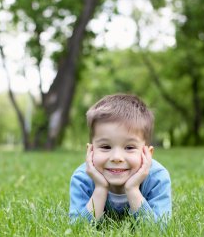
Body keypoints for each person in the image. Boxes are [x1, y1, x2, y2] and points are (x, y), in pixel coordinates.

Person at [69, 94, 171, 224]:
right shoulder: (82, 178)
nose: (117, 158)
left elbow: (158, 231)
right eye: (106, 146)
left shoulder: (157, 178)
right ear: (91, 151)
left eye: (129, 147)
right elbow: (78, 229)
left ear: (147, 154)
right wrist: (100, 188)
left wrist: (133, 189)